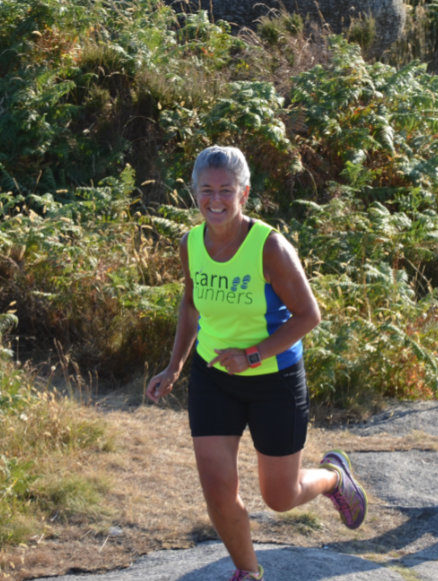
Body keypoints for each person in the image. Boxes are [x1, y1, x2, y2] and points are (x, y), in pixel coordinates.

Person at [146, 145, 367, 580]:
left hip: (274, 380)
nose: (215, 199)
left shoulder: (269, 246)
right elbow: (190, 305)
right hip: (213, 377)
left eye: (225, 190)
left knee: (280, 497)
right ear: (193, 192)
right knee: (217, 491)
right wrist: (174, 366)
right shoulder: (190, 243)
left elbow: (309, 315)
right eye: (206, 189)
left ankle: (333, 478)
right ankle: (249, 572)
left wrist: (252, 356)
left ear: (244, 193)